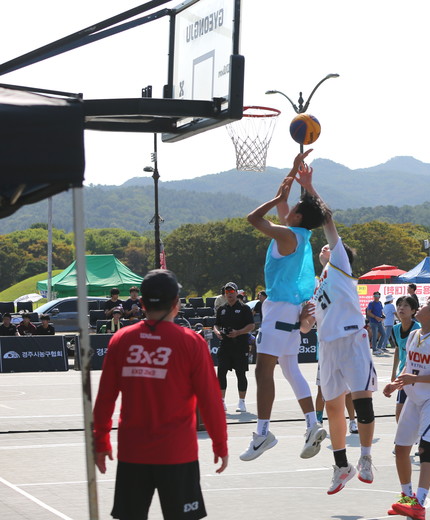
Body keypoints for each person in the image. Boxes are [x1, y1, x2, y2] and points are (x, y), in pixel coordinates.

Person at [92, 269, 228, 520]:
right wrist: (220, 443)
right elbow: (210, 401)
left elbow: (104, 398)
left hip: (133, 453)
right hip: (178, 453)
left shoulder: (122, 340)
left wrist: (101, 440)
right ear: (176, 303)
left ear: (142, 303)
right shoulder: (191, 342)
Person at [241, 150, 329, 462]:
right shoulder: (301, 235)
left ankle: (263, 433)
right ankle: (312, 424)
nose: (286, 208)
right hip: (292, 310)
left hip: (278, 309)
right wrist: (292, 171)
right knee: (291, 369)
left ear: (298, 216)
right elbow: (285, 200)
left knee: (263, 371)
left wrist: (277, 197)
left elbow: (253, 219)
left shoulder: (287, 234)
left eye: (292, 208)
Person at [296, 164, 379, 495]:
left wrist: (308, 187)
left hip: (352, 338)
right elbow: (306, 327)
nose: (325, 248)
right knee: (333, 408)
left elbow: (327, 219)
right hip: (328, 346)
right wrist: (303, 319)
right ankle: (342, 465)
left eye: (329, 247)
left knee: (362, 402)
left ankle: (367, 457)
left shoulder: (340, 264)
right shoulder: (318, 286)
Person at [383, 293, 430, 520]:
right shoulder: (415, 335)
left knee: (426, 449)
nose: (421, 306)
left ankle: (420, 503)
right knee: (401, 449)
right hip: (414, 398)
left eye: (425, 305)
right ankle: (406, 497)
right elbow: (410, 367)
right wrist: (396, 383)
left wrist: (414, 379)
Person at [214, 282, 255, 413]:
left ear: (237, 293)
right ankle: (221, 401)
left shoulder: (244, 308)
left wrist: (238, 332)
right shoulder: (222, 309)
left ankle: (241, 402)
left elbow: (251, 325)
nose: (229, 295)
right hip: (225, 345)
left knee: (240, 373)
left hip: (240, 345)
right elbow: (216, 324)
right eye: (227, 292)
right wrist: (217, 332)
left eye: (231, 292)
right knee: (221, 373)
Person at [389, 295, 421, 422]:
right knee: (400, 414)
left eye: (405, 305)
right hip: (403, 375)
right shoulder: (395, 329)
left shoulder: (418, 329)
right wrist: (394, 374)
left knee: (415, 413)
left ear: (413, 311)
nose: (401, 308)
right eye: (399, 305)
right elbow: (398, 349)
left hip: (417, 376)